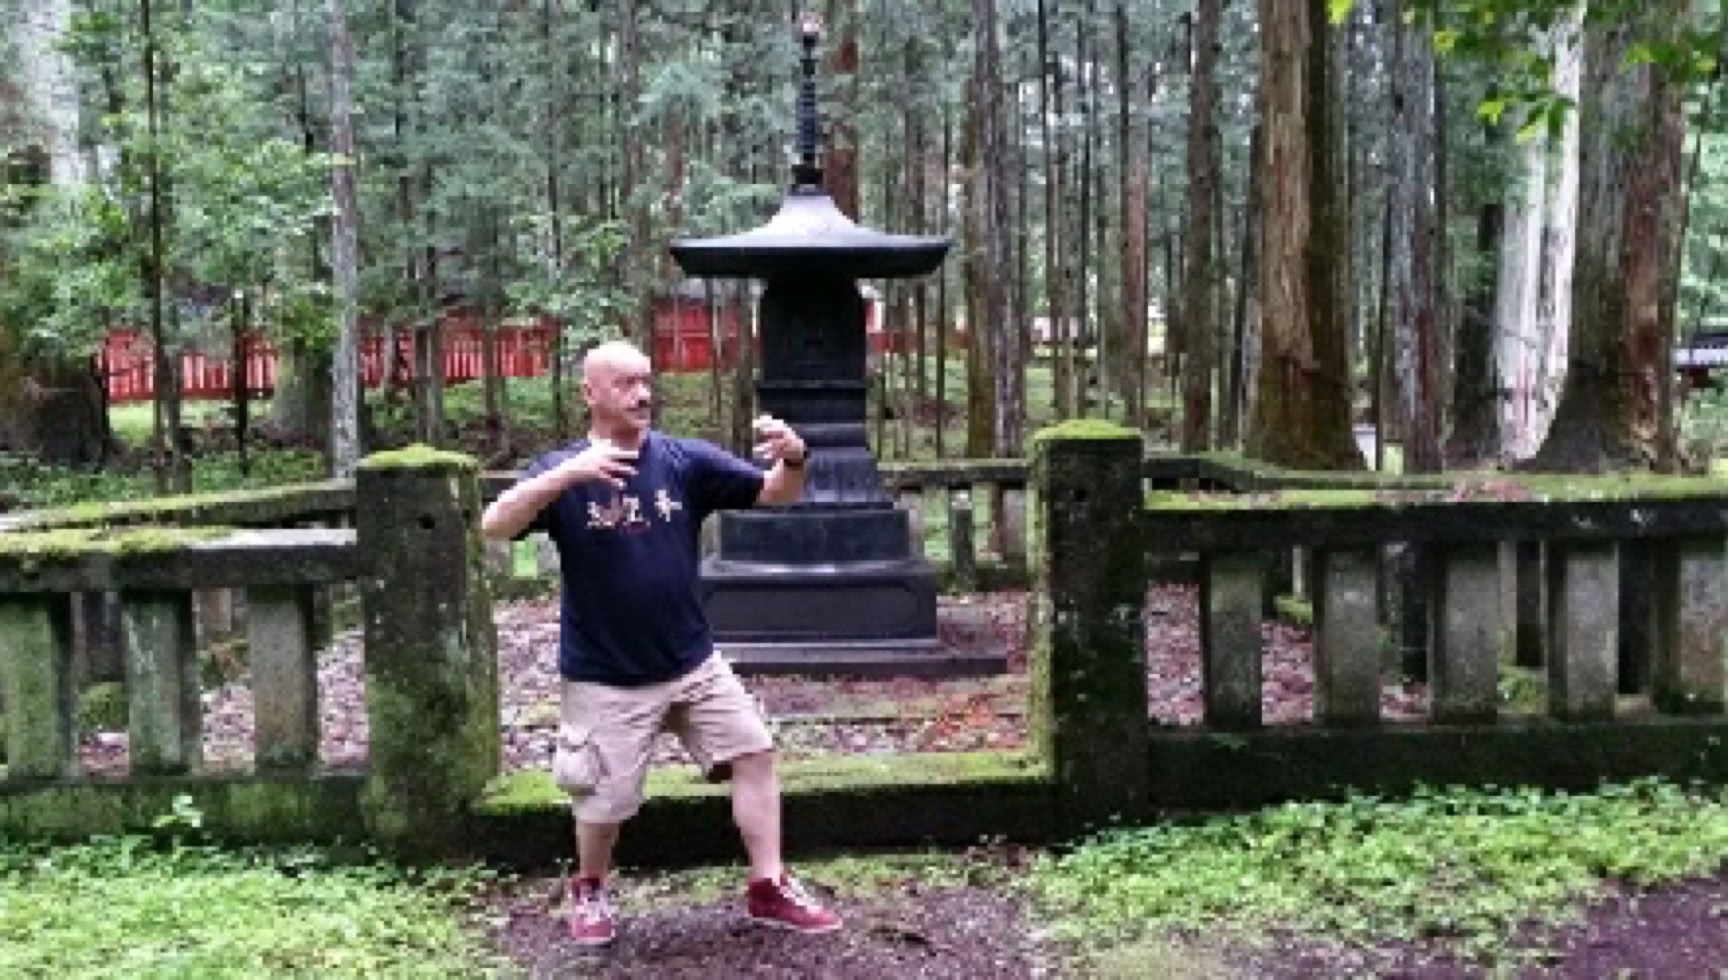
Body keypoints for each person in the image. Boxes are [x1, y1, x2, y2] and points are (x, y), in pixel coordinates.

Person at [479, 340, 840, 946]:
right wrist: (569, 476)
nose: (642, 394)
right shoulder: (562, 469)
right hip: (605, 672)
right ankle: (590, 887)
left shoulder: (683, 461)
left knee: (754, 751)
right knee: (602, 801)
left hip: (692, 661)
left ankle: (768, 884)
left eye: (646, 381)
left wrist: (796, 458)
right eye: (625, 383)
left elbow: (776, 492)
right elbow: (494, 526)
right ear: (590, 394)